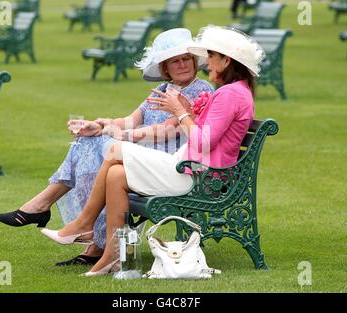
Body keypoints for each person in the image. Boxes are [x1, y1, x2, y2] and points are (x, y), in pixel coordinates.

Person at [40, 25, 265, 276]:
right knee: (115, 174)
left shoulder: (230, 95)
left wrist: (180, 113)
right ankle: (112, 255)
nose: (207, 63)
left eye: (211, 57)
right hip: (192, 168)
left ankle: (83, 224)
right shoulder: (232, 92)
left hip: (199, 177)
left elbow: (202, 143)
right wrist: (185, 112)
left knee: (114, 151)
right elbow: (204, 134)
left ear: (226, 60)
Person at [0, 28, 214, 266]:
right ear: (165, 68)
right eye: (175, 61)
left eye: (186, 59)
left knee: (98, 144)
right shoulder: (162, 90)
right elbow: (132, 118)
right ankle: (85, 234)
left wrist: (118, 134)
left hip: (168, 160)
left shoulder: (200, 90)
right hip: (143, 154)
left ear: (194, 61)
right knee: (88, 139)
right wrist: (101, 124)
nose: (182, 65)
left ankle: (55, 214)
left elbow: (168, 130)